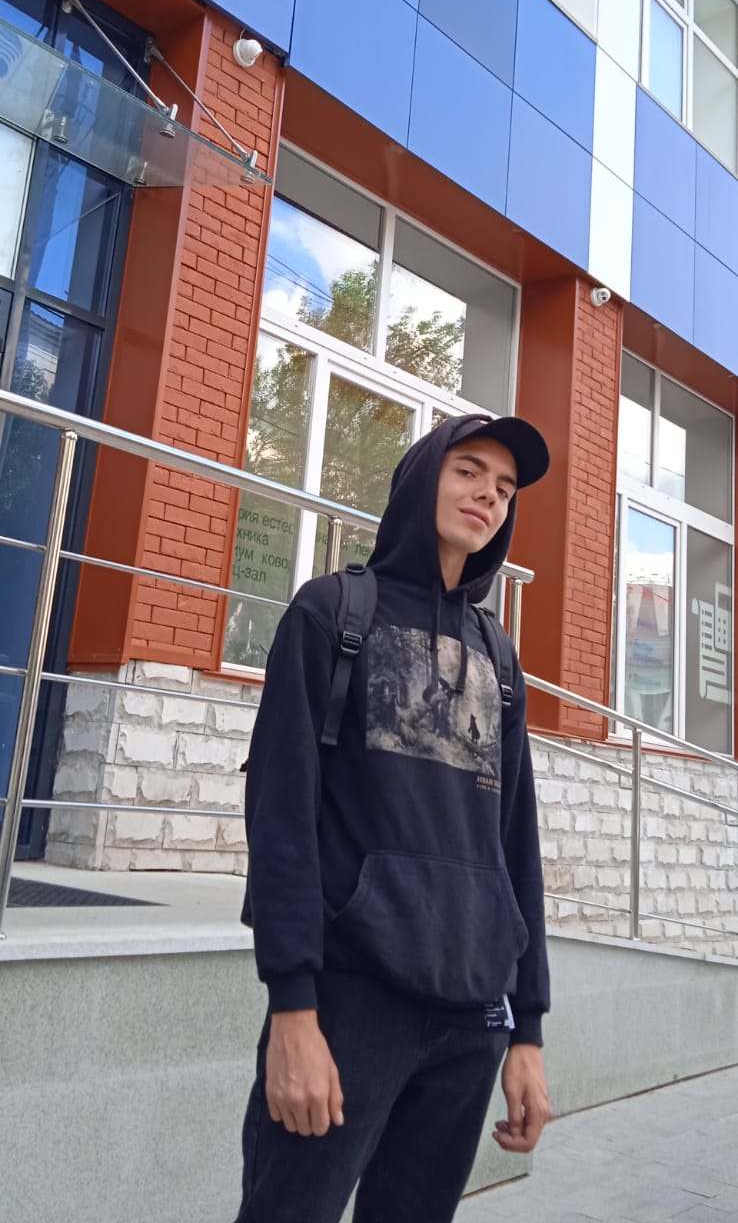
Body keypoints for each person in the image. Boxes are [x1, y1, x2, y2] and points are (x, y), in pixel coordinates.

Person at [235, 412, 552, 1223]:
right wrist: (293, 1011)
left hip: (472, 1021)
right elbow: (280, 817)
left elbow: (516, 846)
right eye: (468, 470)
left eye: (505, 487)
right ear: (421, 479)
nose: (488, 495)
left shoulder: (499, 657)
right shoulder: (331, 614)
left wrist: (526, 1030)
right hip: (350, 1004)